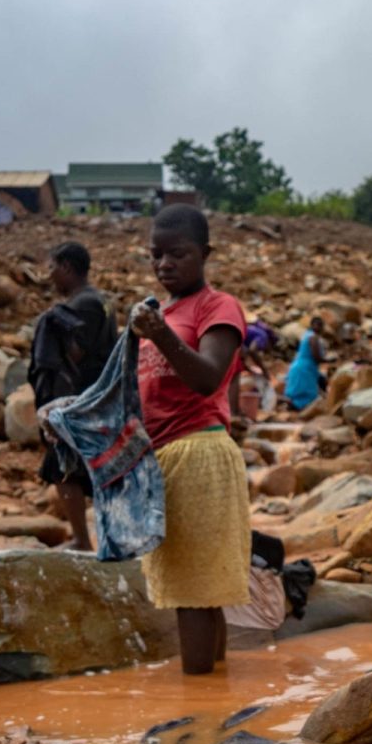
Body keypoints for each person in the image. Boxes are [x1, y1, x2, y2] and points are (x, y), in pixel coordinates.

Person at [127, 204, 251, 675]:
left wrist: (159, 334)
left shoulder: (215, 306)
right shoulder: (162, 313)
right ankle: (213, 698)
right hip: (166, 456)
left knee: (192, 592)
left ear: (205, 254)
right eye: (155, 255)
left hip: (198, 451)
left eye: (177, 254)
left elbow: (209, 378)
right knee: (199, 589)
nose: (164, 265)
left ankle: (198, 716)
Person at [29, 241, 117, 552]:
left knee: (62, 466)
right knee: (93, 467)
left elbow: (75, 354)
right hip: (98, 398)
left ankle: (81, 539)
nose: (50, 275)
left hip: (79, 400)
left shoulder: (83, 305)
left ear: (66, 267)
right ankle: (103, 538)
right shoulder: (101, 301)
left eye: (52, 267)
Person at [284, 316, 327, 411]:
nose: (319, 328)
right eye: (317, 325)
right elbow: (316, 356)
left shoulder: (307, 335)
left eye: (320, 325)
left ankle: (293, 406)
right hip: (305, 368)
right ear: (312, 325)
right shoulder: (313, 337)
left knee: (300, 389)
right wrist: (328, 360)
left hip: (301, 366)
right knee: (307, 391)